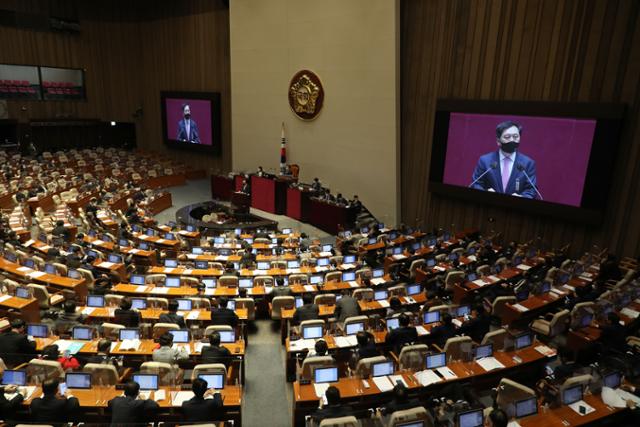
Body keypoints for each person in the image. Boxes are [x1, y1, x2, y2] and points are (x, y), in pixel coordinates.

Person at [471, 121, 538, 199]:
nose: (512, 140)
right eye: (507, 137)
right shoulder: (485, 161)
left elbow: (531, 190)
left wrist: (522, 197)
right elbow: (476, 184)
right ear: (498, 141)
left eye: (515, 136)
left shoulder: (528, 163)